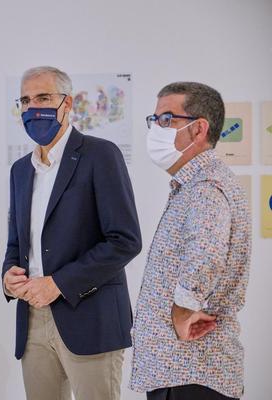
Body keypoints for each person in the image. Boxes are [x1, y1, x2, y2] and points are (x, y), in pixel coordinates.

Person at [2, 66, 142, 400]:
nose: (32, 107)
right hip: (32, 320)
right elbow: (17, 242)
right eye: (25, 100)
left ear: (67, 104)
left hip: (90, 316)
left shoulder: (100, 154)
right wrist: (8, 276)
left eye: (43, 97)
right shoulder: (20, 170)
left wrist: (58, 284)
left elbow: (125, 240)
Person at [130, 82, 251, 400]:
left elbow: (206, 256)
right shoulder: (194, 185)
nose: (156, 129)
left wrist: (182, 311)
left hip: (192, 371)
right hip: (180, 371)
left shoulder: (206, 187)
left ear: (198, 129)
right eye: (154, 120)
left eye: (166, 119)